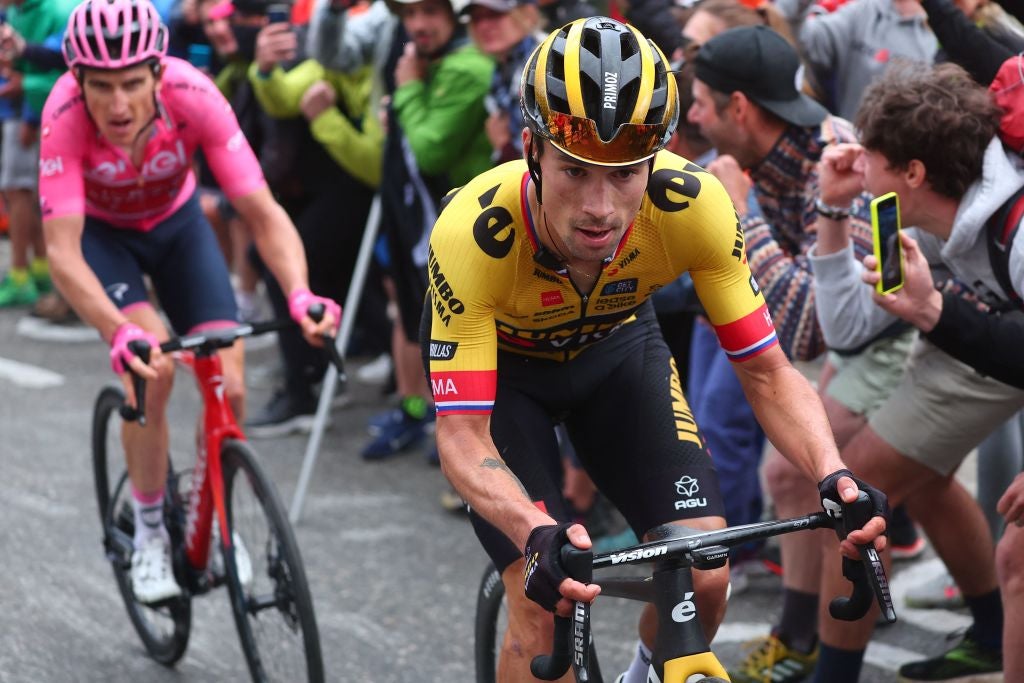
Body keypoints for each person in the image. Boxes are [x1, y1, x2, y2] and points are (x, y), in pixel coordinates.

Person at [423, 16, 888, 683]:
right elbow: (462, 434)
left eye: (624, 174)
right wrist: (532, 529)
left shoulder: (693, 205)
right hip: (505, 375)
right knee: (544, 605)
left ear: (654, 161)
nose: (600, 207)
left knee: (704, 572)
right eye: (575, 170)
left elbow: (766, 369)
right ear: (531, 150)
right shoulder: (473, 233)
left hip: (615, 350)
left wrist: (832, 472)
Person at [38, 0, 339, 604]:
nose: (118, 105)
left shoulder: (195, 95)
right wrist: (117, 331)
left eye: (131, 84)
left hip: (178, 230)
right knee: (153, 372)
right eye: (101, 87)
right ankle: (150, 531)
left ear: (158, 72)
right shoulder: (62, 116)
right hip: (104, 241)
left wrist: (300, 293)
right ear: (78, 81)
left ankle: (215, 512)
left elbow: (262, 213)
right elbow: (63, 254)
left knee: (231, 382)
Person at [685, 26, 917, 682]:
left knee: (825, 480)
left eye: (699, 102)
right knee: (827, 478)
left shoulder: (832, 163)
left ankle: (811, 645)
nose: (692, 118)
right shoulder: (768, 151)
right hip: (859, 334)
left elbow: (811, 327)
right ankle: (980, 619)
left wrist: (742, 211)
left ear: (738, 108)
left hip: (904, 330)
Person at [806, 61, 1024, 682]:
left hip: (988, 336)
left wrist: (932, 310)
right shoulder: (927, 218)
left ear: (913, 172)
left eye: (870, 156)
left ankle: (833, 675)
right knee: (918, 478)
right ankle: (992, 632)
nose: (857, 164)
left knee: (858, 490)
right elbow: (847, 330)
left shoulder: (1016, 232)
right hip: (982, 335)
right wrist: (831, 210)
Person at [309, 0, 493, 459]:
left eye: (430, 12)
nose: (418, 25)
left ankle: (460, 430)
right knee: (410, 312)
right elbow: (331, 54)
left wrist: (407, 93)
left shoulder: (466, 67)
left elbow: (430, 151)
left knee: (451, 324)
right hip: (410, 212)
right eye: (409, 15)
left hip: (457, 222)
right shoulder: (422, 59)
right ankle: (415, 409)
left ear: (454, 16)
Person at [0, 0, 74, 309]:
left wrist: (30, 113)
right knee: (30, 193)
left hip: (45, 114)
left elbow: (64, 63)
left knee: (24, 192)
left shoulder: (59, 10)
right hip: (25, 110)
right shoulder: (15, 12)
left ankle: (22, 275)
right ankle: (42, 270)